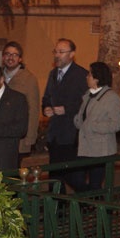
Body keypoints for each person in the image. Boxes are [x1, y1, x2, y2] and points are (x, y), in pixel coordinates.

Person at [42, 38, 88, 191]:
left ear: (72, 54)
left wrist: (67, 109)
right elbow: (46, 97)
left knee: (74, 178)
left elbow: (86, 103)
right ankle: (57, 204)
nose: (57, 55)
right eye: (55, 52)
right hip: (55, 135)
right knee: (55, 179)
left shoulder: (82, 75)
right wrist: (46, 108)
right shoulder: (53, 74)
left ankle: (92, 200)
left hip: (72, 135)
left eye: (61, 52)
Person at [72, 62, 120, 191]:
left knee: (95, 184)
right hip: (85, 146)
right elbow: (83, 116)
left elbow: (116, 124)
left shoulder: (111, 97)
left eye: (89, 74)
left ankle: (96, 202)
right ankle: (89, 199)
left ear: (97, 78)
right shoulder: (87, 95)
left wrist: (93, 126)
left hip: (100, 149)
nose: (87, 77)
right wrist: (77, 121)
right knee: (76, 178)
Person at [1, 41, 41, 160]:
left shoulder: (29, 79)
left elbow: (33, 109)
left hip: (19, 136)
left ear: (20, 59)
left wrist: (30, 137)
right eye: (7, 54)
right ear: (3, 57)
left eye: (14, 55)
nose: (10, 57)